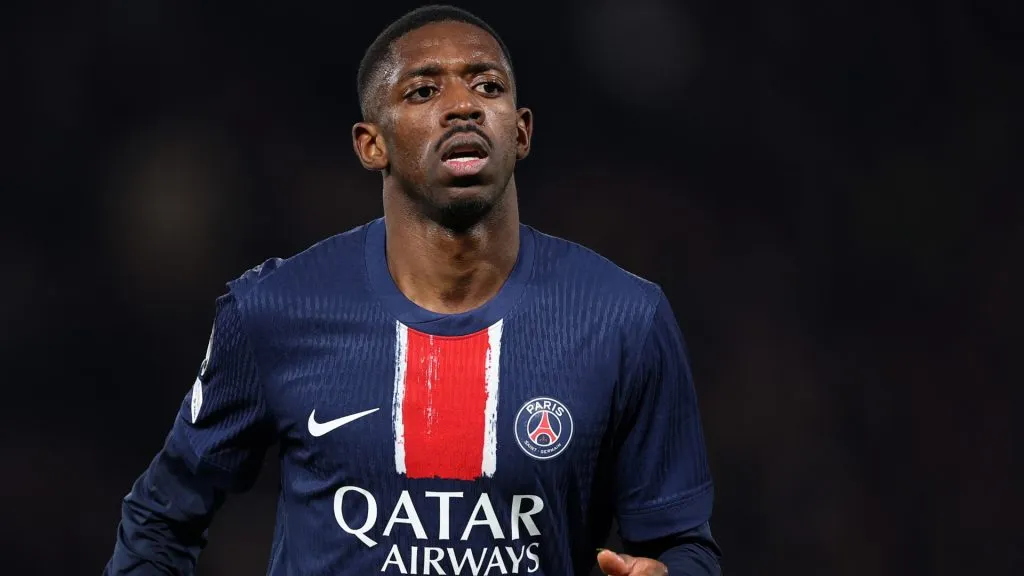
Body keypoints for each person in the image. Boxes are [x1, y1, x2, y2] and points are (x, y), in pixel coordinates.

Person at [104, 5, 722, 575]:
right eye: (424, 90)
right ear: (371, 144)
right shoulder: (274, 311)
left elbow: (681, 544)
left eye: (487, 86)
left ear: (521, 132)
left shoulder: (623, 320)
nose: (463, 106)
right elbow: (159, 520)